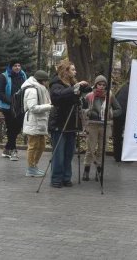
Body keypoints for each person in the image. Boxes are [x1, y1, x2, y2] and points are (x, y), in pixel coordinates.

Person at [48, 60, 90, 188]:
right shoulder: (56, 83)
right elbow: (57, 97)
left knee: (69, 153)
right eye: (72, 69)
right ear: (65, 71)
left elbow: (81, 95)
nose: (75, 71)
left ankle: (66, 177)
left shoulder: (72, 83)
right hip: (59, 122)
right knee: (59, 154)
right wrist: (75, 88)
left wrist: (85, 88)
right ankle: (56, 178)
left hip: (72, 123)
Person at [83, 75, 122, 181]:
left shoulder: (110, 96)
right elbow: (82, 109)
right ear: (96, 84)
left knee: (101, 149)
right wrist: (89, 112)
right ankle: (86, 170)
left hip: (105, 125)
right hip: (92, 125)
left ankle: (98, 172)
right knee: (90, 148)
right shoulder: (89, 96)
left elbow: (119, 109)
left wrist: (110, 113)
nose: (101, 87)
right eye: (99, 84)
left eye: (104, 85)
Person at [0, 59, 27, 160]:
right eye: (15, 66)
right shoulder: (3, 76)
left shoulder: (23, 75)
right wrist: (11, 101)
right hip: (8, 107)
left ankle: (7, 148)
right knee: (11, 127)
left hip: (20, 106)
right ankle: (13, 150)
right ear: (11, 67)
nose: (17, 67)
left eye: (19, 65)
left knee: (18, 127)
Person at [22, 70, 53, 177]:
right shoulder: (32, 90)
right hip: (33, 121)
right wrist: (50, 107)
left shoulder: (40, 88)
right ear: (42, 81)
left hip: (39, 121)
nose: (47, 83)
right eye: (46, 81)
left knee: (41, 145)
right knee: (33, 145)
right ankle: (31, 168)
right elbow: (32, 108)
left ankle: (34, 166)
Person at [113, 74, 130, 162]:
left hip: (118, 114)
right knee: (126, 135)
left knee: (117, 135)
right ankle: (126, 155)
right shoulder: (133, 89)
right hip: (126, 114)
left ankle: (117, 156)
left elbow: (115, 98)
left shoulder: (123, 87)